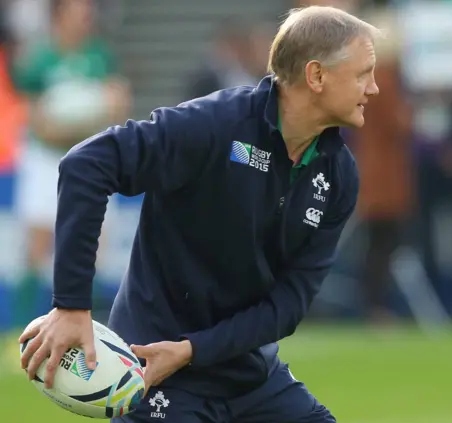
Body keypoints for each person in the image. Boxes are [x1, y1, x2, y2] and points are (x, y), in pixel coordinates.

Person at [19, 5, 380, 423]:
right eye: (362, 74)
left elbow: (289, 302)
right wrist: (71, 307)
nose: (372, 88)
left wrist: (192, 350)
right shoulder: (214, 125)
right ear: (316, 76)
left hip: (250, 377)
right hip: (153, 371)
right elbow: (87, 164)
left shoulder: (338, 173)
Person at [11, 0, 130, 326]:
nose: (87, 16)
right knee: (38, 243)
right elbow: (39, 122)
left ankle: (89, 328)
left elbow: (117, 106)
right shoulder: (39, 58)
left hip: (90, 157)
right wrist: (76, 127)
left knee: (95, 242)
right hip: (45, 159)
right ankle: (23, 329)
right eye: (79, 10)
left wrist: (102, 115)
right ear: (59, 14)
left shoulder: (100, 56)